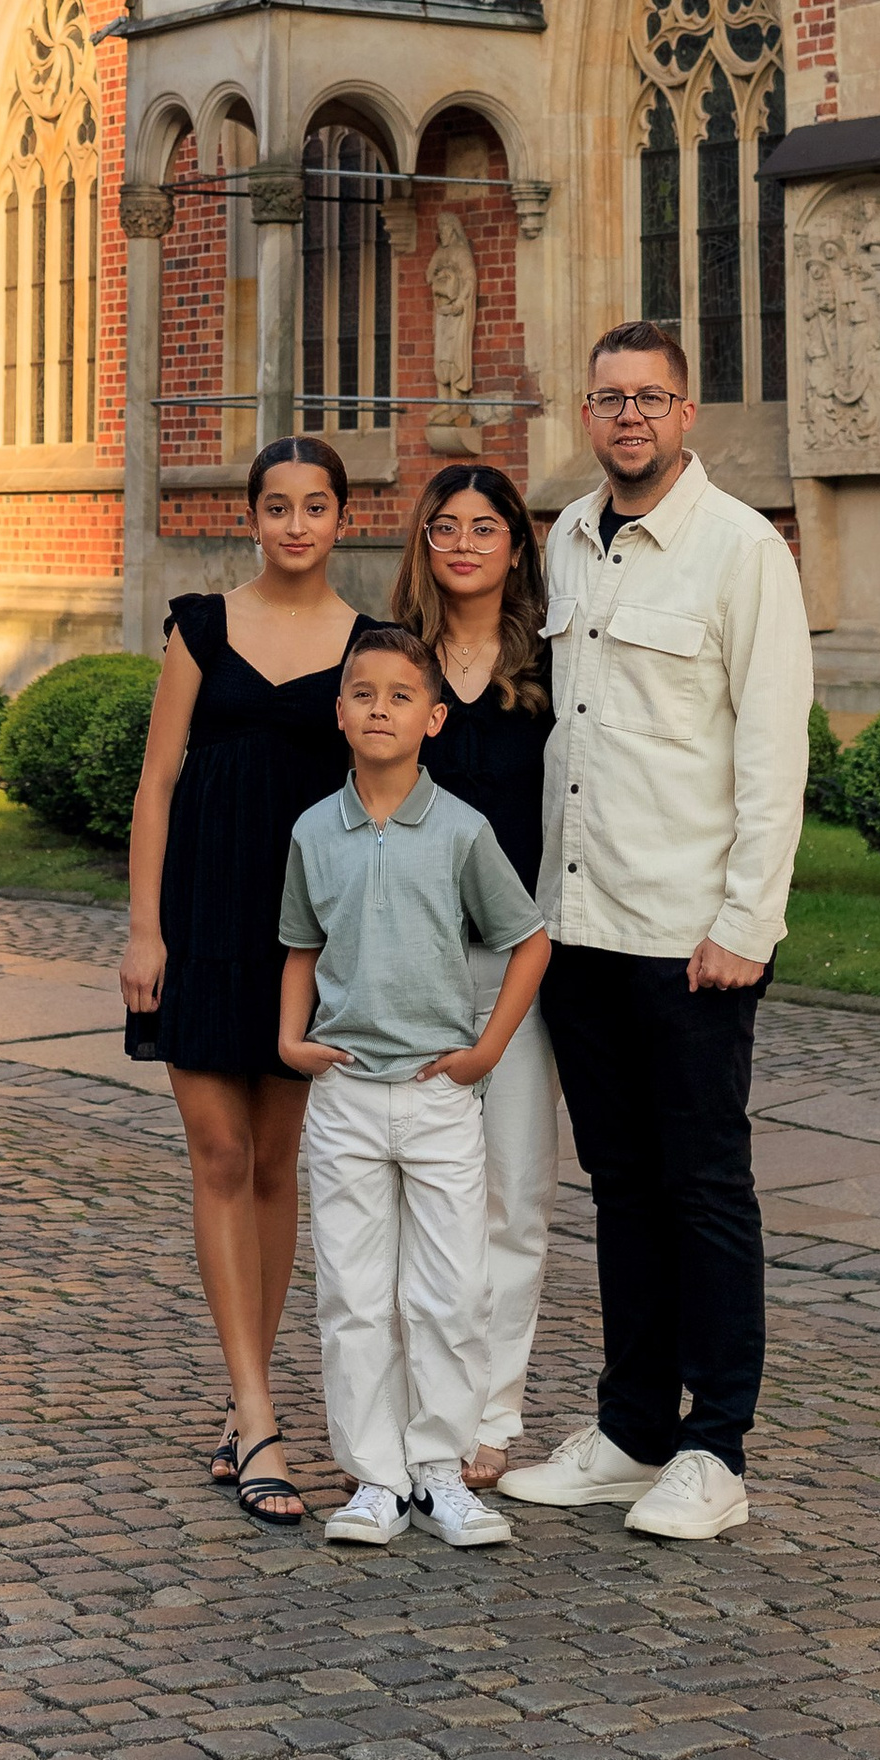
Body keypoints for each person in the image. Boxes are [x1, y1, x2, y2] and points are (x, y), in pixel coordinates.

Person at [499, 319, 812, 1545]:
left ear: (688, 416)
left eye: (651, 398)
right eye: (608, 397)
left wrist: (747, 920)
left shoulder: (741, 554)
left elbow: (771, 750)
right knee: (620, 1191)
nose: (628, 415)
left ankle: (713, 1448)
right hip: (579, 928)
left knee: (704, 1190)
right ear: (588, 415)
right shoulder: (567, 542)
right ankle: (630, 1431)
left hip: (691, 938)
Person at [119, 432, 381, 1530]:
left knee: (276, 1162)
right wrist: (144, 933)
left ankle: (246, 1400)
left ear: (340, 520)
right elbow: (157, 785)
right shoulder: (200, 628)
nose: (294, 525)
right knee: (217, 1151)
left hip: (304, 942)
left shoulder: (366, 644)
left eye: (314, 507)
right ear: (251, 517)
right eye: (276, 507)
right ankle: (260, 1410)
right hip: (199, 923)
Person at [278, 625, 549, 1550]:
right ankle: (374, 1478)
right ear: (340, 712)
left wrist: (484, 1052)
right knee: (354, 1293)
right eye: (363, 693)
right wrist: (290, 1038)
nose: (380, 708)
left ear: (434, 718)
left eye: (401, 695)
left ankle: (441, 1471)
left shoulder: (463, 830)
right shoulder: (315, 831)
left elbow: (528, 939)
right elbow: (300, 945)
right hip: (346, 1095)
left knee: (449, 1290)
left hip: (440, 1097)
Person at [392, 459, 555, 1484]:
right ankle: (421, 1405)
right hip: (409, 960)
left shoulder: (553, 663)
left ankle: (492, 1413)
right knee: (418, 1193)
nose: (461, 543)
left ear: (514, 545)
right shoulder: (391, 659)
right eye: (444, 527)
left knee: (513, 1192)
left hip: (519, 956)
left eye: (482, 527)